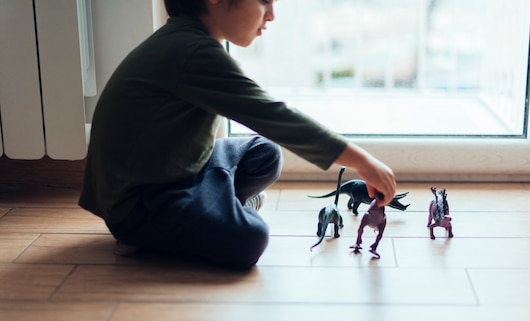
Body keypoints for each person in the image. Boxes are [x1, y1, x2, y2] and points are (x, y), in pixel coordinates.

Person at [79, 0, 397, 270]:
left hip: (177, 173)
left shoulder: (186, 42)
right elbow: (276, 117)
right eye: (263, 1)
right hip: (143, 204)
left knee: (265, 153)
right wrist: (362, 161)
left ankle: (217, 206)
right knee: (251, 238)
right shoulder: (192, 53)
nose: (271, 14)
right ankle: (158, 233)